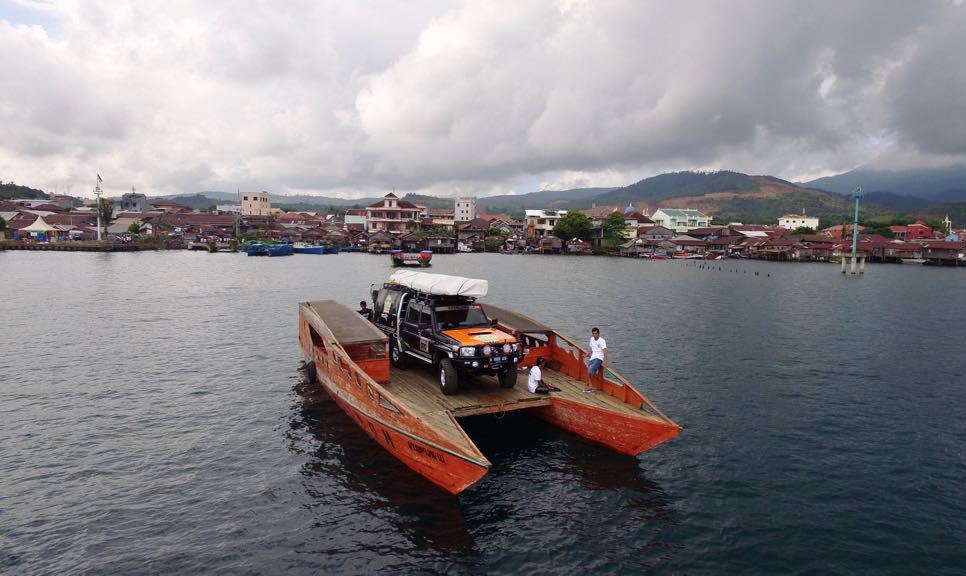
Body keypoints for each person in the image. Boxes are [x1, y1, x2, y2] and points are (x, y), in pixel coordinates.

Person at [587, 327, 607, 392]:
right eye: (593, 333)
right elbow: (591, 348)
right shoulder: (591, 339)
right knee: (589, 370)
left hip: (599, 358)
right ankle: (590, 385)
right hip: (592, 357)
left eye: (595, 333)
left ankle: (591, 386)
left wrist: (605, 361)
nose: (594, 335)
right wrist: (588, 353)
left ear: (598, 334)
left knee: (591, 370)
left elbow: (605, 351)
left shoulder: (602, 341)